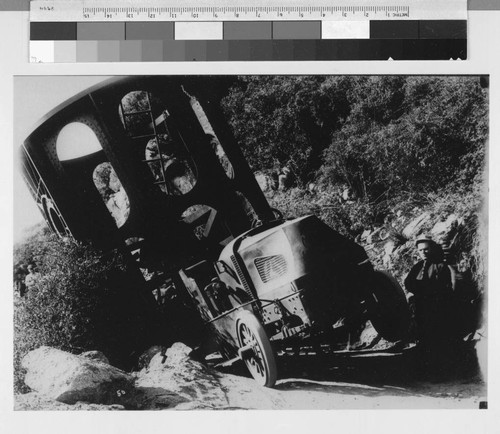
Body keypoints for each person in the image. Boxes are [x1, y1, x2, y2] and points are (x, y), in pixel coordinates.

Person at [404, 235, 453, 347]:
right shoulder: (417, 267)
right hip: (420, 301)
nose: (424, 252)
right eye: (421, 250)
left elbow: (445, 287)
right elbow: (408, 283)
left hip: (436, 302)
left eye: (426, 249)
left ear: (431, 249)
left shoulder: (440, 265)